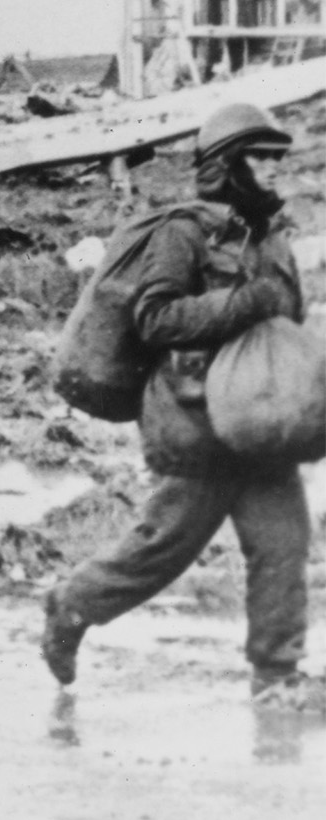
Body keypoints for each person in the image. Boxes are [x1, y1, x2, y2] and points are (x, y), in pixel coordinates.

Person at [42, 103, 313, 703]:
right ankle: (70, 606)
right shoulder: (182, 233)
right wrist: (249, 303)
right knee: (162, 551)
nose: (273, 168)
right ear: (225, 164)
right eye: (259, 157)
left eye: (275, 157)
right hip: (193, 424)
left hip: (260, 421)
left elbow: (285, 317)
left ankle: (277, 674)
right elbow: (156, 318)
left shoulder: (273, 237)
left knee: (284, 548)